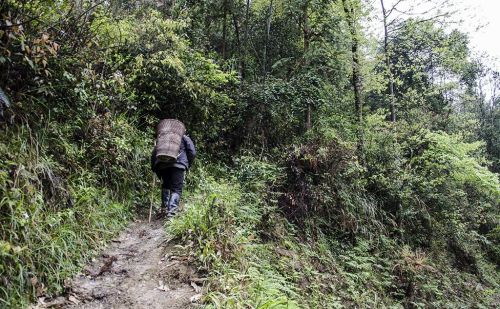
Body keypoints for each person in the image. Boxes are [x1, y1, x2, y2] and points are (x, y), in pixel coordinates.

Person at [151, 134, 196, 218]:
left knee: (166, 186)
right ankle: (171, 212)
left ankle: (164, 209)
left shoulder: (163, 137)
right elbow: (192, 152)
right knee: (176, 188)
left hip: (163, 165)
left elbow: (154, 153)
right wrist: (187, 164)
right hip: (179, 165)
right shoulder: (184, 137)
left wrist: (154, 167)